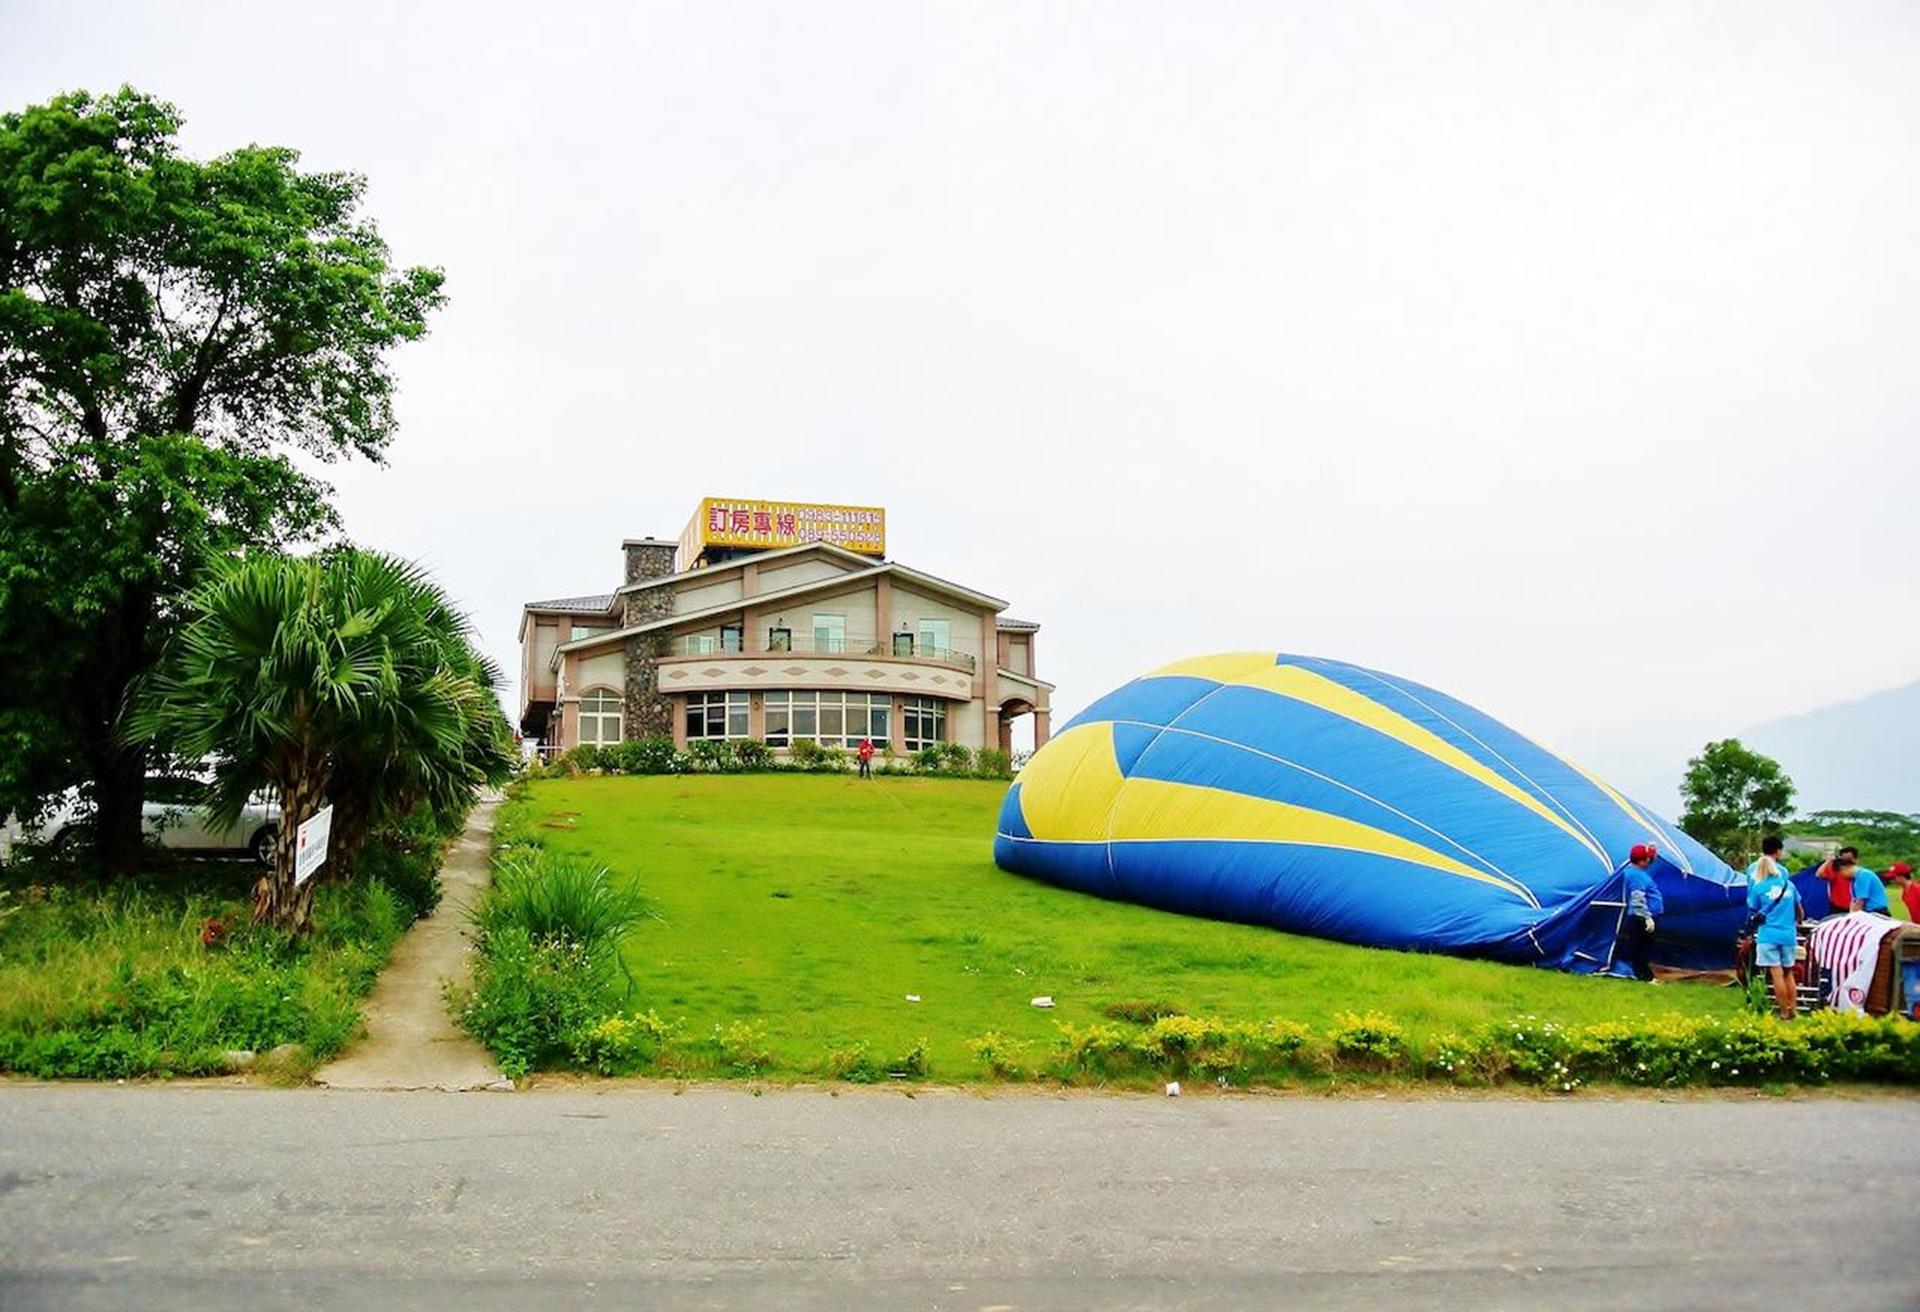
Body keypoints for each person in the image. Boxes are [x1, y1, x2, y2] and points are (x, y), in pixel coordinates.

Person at [1745, 835, 1804, 1020]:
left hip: (1768, 934)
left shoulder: (1757, 884)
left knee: (1776, 973)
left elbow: (1753, 908)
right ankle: (1794, 1009)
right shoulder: (1789, 883)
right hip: (1788, 934)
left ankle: (1784, 1012)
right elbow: (1799, 910)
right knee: (1789, 973)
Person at [1617, 843, 1664, 982]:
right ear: (1642, 861)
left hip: (1642, 916)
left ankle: (1641, 974)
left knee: (1640, 946)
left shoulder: (1635, 872)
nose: (1650, 861)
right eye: (1648, 858)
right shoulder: (1637, 876)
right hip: (1641, 917)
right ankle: (1645, 976)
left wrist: (1652, 849)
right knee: (1642, 948)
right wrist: (1647, 918)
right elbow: (1638, 899)